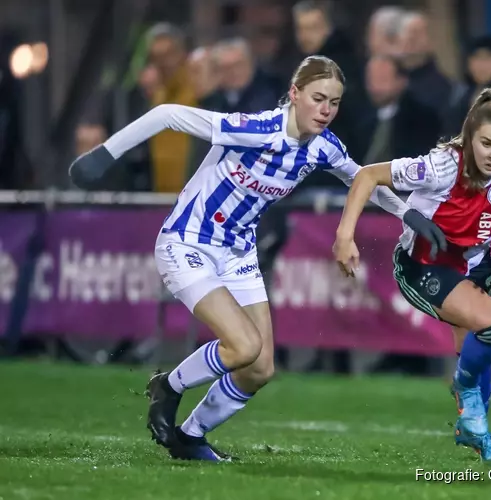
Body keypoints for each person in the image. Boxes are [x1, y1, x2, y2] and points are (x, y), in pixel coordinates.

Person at [68, 55, 443, 462]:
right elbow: (167, 113)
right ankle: (169, 386)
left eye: (334, 103)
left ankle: (190, 437)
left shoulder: (323, 148)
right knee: (243, 345)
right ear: (295, 94)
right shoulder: (256, 130)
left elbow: (365, 179)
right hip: (188, 242)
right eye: (318, 98)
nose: (326, 111)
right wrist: (103, 155)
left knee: (260, 367)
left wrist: (408, 214)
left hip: (238, 253)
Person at [331, 88, 491, 462]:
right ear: (469, 137)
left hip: (476, 262)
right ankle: (463, 388)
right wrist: (344, 235)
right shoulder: (439, 166)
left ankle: (479, 437)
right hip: (424, 265)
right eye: (486, 143)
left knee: (475, 349)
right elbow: (368, 176)